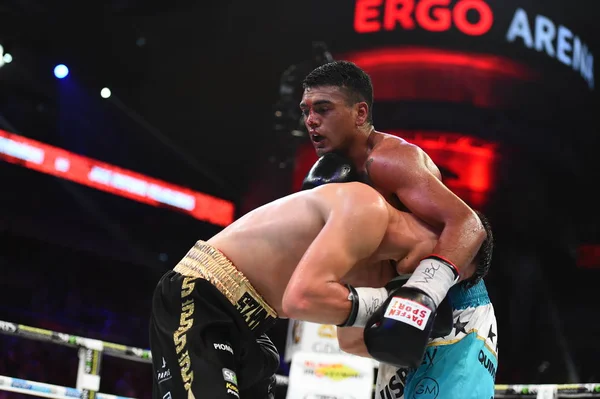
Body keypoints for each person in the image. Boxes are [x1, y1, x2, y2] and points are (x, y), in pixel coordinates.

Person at [149, 153, 479, 399]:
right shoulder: (369, 209)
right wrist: (389, 305)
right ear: (439, 239)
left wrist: (410, 344)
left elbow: (349, 340)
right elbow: (300, 298)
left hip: (253, 326)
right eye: (441, 271)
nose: (431, 282)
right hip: (203, 296)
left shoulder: (381, 265)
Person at [300, 60, 496, 397]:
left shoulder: (391, 160)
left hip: (453, 308)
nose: (311, 121)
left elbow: (469, 225)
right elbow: (349, 337)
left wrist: (422, 296)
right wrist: (384, 322)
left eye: (323, 109)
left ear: (360, 113)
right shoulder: (331, 182)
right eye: (305, 111)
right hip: (396, 317)